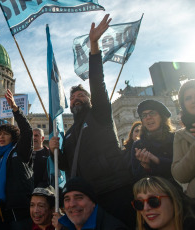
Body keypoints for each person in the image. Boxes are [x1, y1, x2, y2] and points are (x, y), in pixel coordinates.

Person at [49, 14, 134, 228]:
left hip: (113, 188)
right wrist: (54, 151)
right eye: (72, 98)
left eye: (81, 96)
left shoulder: (100, 114)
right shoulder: (68, 133)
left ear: (89, 100)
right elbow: (68, 166)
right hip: (86, 197)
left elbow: (97, 82)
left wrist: (94, 46)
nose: (76, 99)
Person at [0, 89, 33, 229]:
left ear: (13, 137)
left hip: (18, 211)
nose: (1, 137)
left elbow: (27, 132)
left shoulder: (19, 152)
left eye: (5, 134)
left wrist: (16, 110)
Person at [55, 177, 128, 230]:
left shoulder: (114, 228)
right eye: (67, 199)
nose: (72, 204)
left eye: (79, 197)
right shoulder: (64, 226)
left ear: (93, 202)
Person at [131, 100, 174, 182]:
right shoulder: (138, 145)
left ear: (161, 117)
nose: (148, 117)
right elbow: (137, 177)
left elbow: (185, 166)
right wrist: (146, 167)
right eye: (144, 115)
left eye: (152, 113)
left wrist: (157, 160)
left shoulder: (176, 138)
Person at [172, 79, 195, 198]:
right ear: (183, 105)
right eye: (188, 98)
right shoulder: (180, 135)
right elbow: (179, 175)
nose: (193, 100)